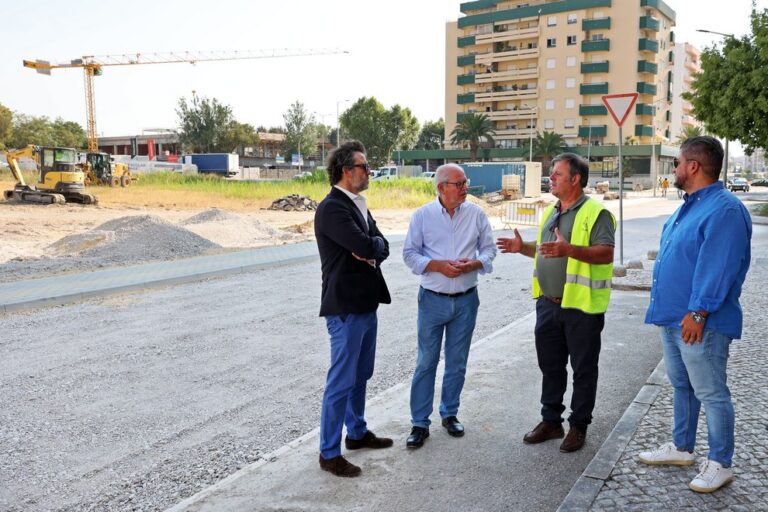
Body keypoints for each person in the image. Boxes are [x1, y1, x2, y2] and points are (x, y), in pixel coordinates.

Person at [640, 136, 752, 493]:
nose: (673, 168)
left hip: (701, 321)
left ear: (693, 166)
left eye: (676, 163)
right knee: (682, 386)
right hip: (673, 318)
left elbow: (718, 266)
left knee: (711, 392)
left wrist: (699, 312)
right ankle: (682, 447)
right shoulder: (689, 206)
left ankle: (720, 463)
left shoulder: (724, 209)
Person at [496, 153, 615, 453]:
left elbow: (606, 253)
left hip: (581, 307)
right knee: (550, 367)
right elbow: (547, 249)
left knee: (583, 370)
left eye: (557, 174)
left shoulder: (596, 212)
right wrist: (522, 247)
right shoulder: (551, 211)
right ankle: (551, 421)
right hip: (548, 304)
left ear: (576, 179)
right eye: (551, 173)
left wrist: (570, 250)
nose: (551, 178)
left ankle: (578, 426)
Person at [402, 163, 497, 448]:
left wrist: (476, 263)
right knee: (426, 362)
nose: (466, 187)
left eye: (465, 182)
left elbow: (489, 249)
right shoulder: (423, 216)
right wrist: (437, 265)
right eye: (459, 183)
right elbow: (409, 254)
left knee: (457, 362)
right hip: (432, 300)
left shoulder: (476, 214)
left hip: (467, 300)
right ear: (442, 187)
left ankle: (450, 413)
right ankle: (420, 423)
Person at [314, 140, 393, 477]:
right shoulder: (333, 208)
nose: (369, 172)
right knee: (341, 381)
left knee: (361, 375)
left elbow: (382, 245)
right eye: (364, 166)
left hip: (365, 303)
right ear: (346, 171)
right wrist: (370, 247)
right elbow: (364, 244)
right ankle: (329, 453)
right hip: (345, 307)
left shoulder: (358, 205)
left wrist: (372, 249)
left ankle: (357, 432)